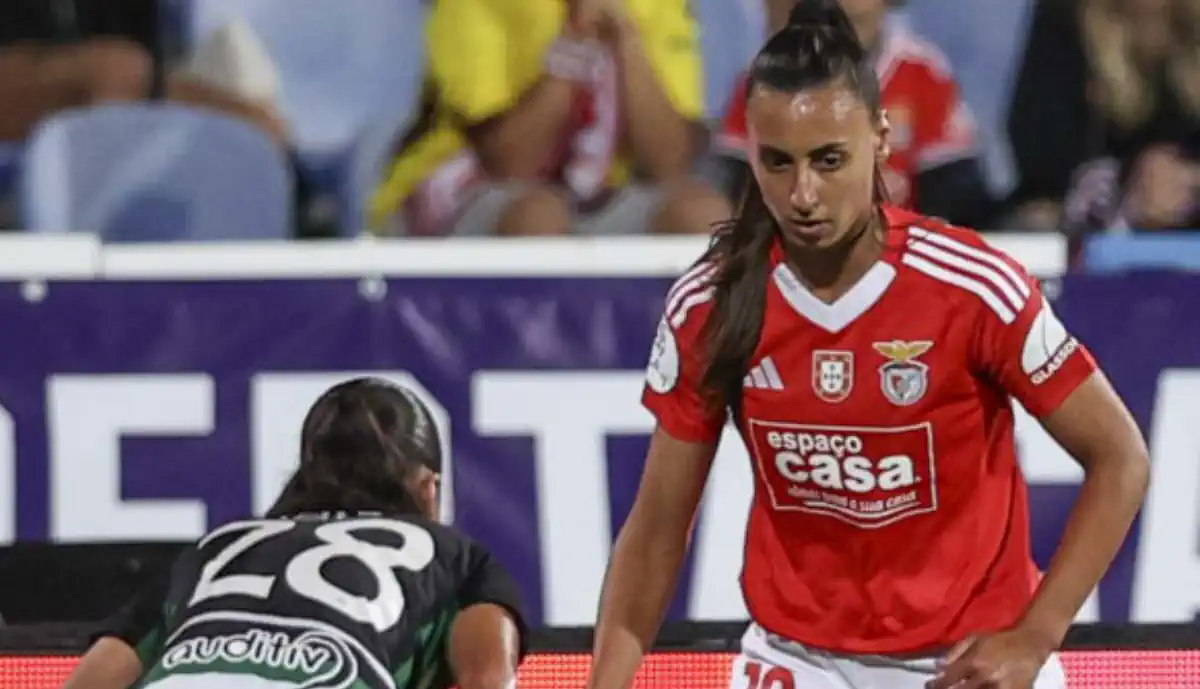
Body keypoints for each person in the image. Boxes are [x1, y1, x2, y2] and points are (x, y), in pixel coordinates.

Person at [587, 1, 1150, 688]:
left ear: (881, 138)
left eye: (829, 161)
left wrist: (1037, 633)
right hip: (796, 660)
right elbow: (654, 530)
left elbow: (1120, 456)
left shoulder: (974, 288)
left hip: (964, 662)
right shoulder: (711, 302)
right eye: (777, 162)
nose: (802, 194)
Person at [61, 377, 527, 689]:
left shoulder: (218, 547)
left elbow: (94, 679)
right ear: (429, 489)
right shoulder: (454, 556)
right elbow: (488, 679)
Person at [369, 0, 730, 237]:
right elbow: (511, 162)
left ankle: (683, 354)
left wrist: (627, 41)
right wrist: (574, 46)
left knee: (703, 215)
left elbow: (669, 165)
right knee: (540, 217)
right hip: (465, 192)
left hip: (600, 194)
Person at [715, 0, 994, 227]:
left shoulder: (923, 71)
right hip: (790, 242)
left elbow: (955, 186)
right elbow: (734, 177)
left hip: (900, 247)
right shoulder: (768, 76)